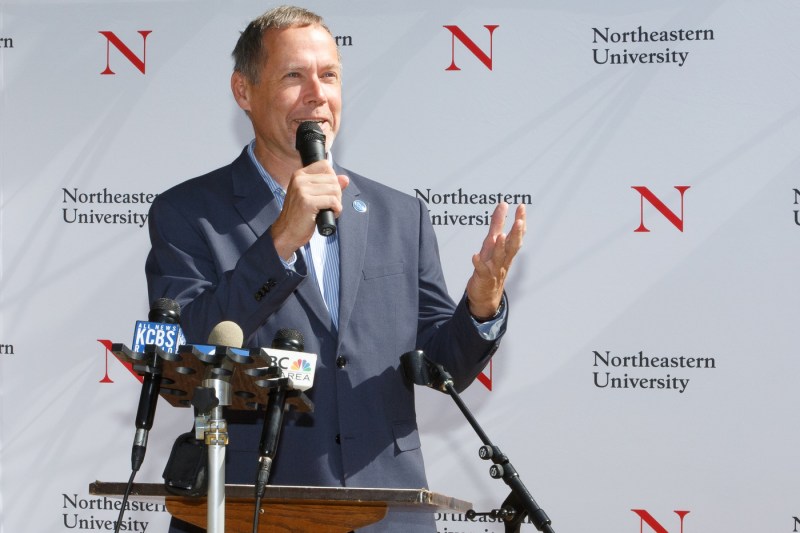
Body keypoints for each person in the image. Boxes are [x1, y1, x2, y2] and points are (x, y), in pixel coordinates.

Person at [145, 5, 526, 532]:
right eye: (293, 76)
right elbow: (184, 347)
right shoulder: (188, 212)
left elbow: (445, 366)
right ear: (243, 91)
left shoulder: (401, 215)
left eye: (328, 76)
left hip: (386, 511)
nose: (316, 94)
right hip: (253, 508)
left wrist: (482, 303)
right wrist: (279, 240)